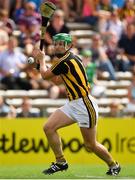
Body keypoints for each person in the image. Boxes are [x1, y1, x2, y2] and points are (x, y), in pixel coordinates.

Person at [32, 33, 121, 175]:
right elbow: (56, 80)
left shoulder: (65, 61)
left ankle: (113, 165)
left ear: (69, 46)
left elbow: (44, 75)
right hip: (73, 104)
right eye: (56, 43)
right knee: (49, 127)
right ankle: (61, 162)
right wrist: (41, 64)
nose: (58, 46)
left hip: (84, 105)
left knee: (90, 145)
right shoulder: (68, 60)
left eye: (62, 44)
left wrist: (41, 61)